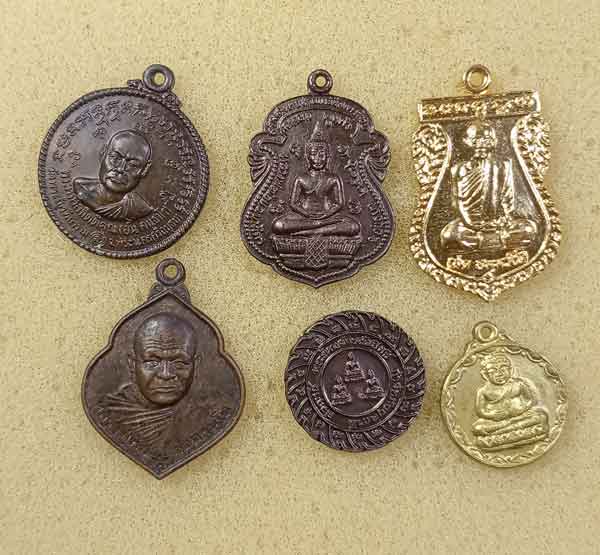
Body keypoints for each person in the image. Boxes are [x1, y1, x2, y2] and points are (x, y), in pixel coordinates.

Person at [96, 313, 197, 450]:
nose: (165, 374)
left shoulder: (203, 413)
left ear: (196, 364)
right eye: (152, 362)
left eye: (179, 363)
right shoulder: (110, 412)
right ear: (132, 364)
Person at [441, 118, 537, 253]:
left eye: (486, 139)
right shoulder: (458, 169)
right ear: (466, 141)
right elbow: (456, 202)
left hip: (499, 224)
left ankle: (486, 242)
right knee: (449, 235)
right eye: (476, 139)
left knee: (528, 229)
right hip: (470, 225)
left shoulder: (503, 165)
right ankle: (495, 241)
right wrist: (471, 223)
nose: (481, 143)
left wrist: (503, 219)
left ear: (494, 141)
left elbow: (508, 199)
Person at [271, 122, 360, 237]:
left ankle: (309, 232)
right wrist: (306, 213)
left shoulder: (333, 178)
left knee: (353, 226)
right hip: (305, 217)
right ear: (308, 156)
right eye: (314, 154)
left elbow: (339, 203)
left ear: (327, 157)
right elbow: (293, 203)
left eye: (321, 154)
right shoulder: (301, 178)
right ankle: (319, 229)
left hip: (327, 217)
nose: (318, 159)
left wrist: (326, 214)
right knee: (278, 225)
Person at [472, 352, 549, 450]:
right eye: (493, 371)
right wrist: (492, 415)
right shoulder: (484, 391)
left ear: (510, 370)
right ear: (485, 375)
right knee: (478, 428)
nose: (499, 374)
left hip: (520, 416)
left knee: (541, 416)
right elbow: (480, 411)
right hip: (496, 422)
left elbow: (530, 400)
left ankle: (499, 437)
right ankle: (520, 433)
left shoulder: (518, 385)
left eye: (503, 369)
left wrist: (522, 409)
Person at [73, 129, 154, 221]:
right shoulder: (81, 188)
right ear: (103, 153)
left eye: (133, 164)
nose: (120, 169)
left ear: (144, 170)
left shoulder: (140, 209)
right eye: (115, 158)